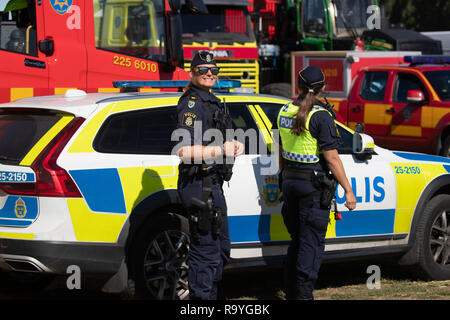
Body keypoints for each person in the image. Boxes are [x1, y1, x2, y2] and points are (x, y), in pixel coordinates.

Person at [274, 65, 357, 300]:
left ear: (298, 86)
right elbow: (332, 159)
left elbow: (280, 151)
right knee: (310, 248)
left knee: (298, 243)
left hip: (290, 184)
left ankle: (293, 295)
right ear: (323, 87)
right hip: (312, 189)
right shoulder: (320, 116)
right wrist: (348, 191)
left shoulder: (284, 111)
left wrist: (283, 178)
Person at [175, 51, 244, 300]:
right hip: (199, 184)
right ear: (193, 73)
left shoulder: (212, 101)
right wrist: (219, 150)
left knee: (220, 250)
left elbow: (216, 138)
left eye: (213, 70)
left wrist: (234, 145)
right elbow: (183, 150)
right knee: (205, 253)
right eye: (203, 70)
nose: (209, 74)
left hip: (213, 183)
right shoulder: (191, 104)